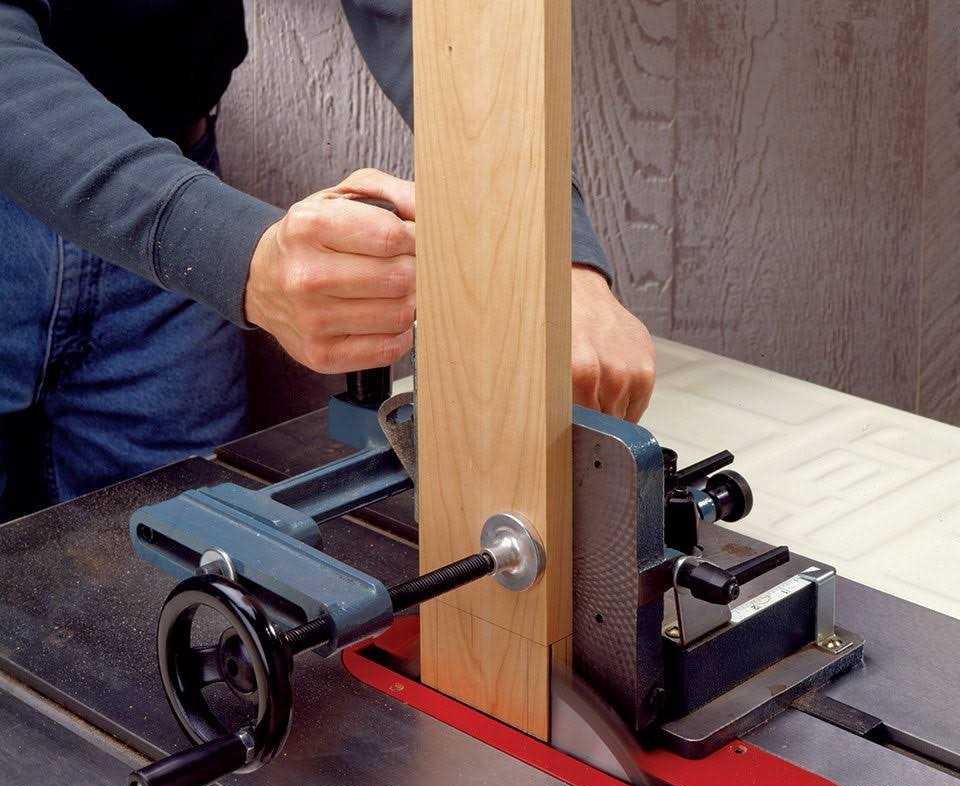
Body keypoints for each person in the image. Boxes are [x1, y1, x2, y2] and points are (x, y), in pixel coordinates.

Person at [0, 1, 656, 522]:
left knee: (159, 580)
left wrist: (552, 247)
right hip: (106, 222)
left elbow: (431, 18)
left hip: (173, 200)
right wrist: (233, 251)